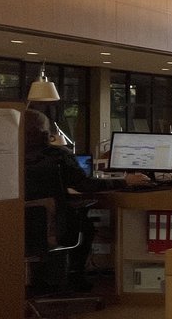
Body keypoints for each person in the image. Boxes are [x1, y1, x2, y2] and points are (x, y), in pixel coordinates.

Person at [23, 109, 150, 291]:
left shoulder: (8, 157)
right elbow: (86, 186)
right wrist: (125, 181)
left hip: (16, 229)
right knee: (85, 226)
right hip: (56, 228)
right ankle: (75, 276)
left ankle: (40, 281)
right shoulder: (58, 156)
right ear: (46, 132)